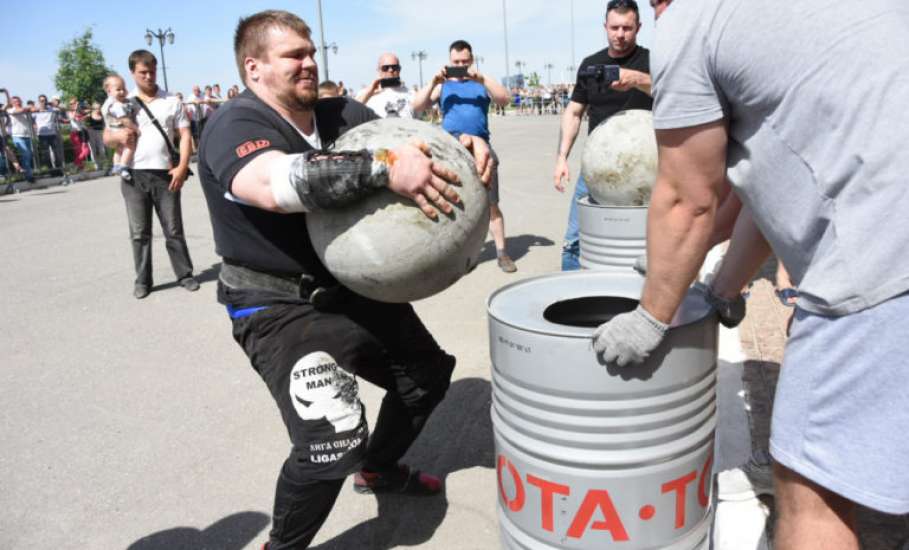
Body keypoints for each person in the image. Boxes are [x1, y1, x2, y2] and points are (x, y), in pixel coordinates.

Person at [595, 1, 909, 548]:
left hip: (880, 245)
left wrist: (651, 314)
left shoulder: (690, 25)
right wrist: (720, 289)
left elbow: (685, 201)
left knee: (811, 495)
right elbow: (761, 199)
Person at [197, 10, 492, 549]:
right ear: (254, 67)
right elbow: (273, 183)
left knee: (426, 376)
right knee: (331, 438)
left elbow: (411, 137)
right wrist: (383, 169)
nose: (309, 63)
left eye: (311, 52)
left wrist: (463, 147)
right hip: (276, 303)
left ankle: (378, 467)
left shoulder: (342, 114)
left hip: (349, 288)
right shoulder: (234, 124)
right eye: (293, 56)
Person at [553, 0, 654, 270]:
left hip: (646, 170)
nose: (620, 34)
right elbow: (574, 113)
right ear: (605, 27)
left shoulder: (651, 61)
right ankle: (571, 295)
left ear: (639, 28)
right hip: (597, 169)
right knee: (574, 240)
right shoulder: (590, 65)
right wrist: (562, 157)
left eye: (627, 28)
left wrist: (636, 79)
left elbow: (672, 94)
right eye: (614, 27)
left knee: (650, 240)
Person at [103, 49, 199, 300]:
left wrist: (182, 165)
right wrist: (117, 136)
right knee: (139, 233)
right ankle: (143, 280)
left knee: (173, 228)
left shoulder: (172, 101)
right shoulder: (123, 103)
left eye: (152, 71)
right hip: (133, 176)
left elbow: (186, 135)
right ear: (133, 73)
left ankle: (185, 274)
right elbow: (106, 136)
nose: (148, 76)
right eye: (142, 72)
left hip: (166, 174)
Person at [413, 39, 516, 272]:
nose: (460, 65)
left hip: (483, 150)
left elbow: (504, 99)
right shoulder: (443, 86)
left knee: (492, 206)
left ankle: (502, 253)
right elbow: (417, 106)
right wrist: (433, 82)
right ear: (450, 61)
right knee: (450, 202)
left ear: (472, 60)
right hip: (451, 152)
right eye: (456, 62)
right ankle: (454, 254)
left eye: (465, 61)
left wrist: (481, 78)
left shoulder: (481, 83)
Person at [355, 53, 420, 119]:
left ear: (399, 70)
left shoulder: (411, 94)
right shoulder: (365, 94)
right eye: (385, 68)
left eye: (394, 67)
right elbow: (352, 110)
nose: (390, 70)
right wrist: (369, 93)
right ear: (378, 70)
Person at [101, 74, 139, 181]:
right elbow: (125, 120)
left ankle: (116, 165)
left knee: (119, 149)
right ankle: (123, 166)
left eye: (124, 89)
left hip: (112, 128)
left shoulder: (108, 103)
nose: (122, 92)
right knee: (129, 146)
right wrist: (136, 129)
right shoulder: (116, 105)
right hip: (120, 129)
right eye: (118, 89)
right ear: (109, 91)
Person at [2, 90, 35, 183]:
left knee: (28, 156)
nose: (17, 102)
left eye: (18, 101)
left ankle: (26, 173)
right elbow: (21, 110)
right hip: (17, 136)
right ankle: (28, 176)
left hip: (27, 135)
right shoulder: (10, 110)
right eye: (15, 101)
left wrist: (30, 108)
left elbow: (34, 109)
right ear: (12, 103)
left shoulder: (25, 110)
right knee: (26, 154)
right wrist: (29, 107)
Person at [33, 94, 65, 172]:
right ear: (39, 101)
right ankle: (51, 171)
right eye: (41, 101)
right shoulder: (35, 111)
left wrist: (54, 104)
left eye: (44, 100)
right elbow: (32, 121)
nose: (43, 102)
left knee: (57, 153)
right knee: (46, 155)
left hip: (52, 134)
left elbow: (63, 109)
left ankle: (59, 170)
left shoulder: (52, 109)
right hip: (42, 135)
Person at [66, 98, 92, 170]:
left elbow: (90, 110)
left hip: (82, 132)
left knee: (85, 151)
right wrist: (84, 115)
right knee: (80, 151)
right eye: (71, 104)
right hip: (75, 133)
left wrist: (87, 107)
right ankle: (76, 165)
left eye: (74, 103)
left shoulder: (80, 110)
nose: (73, 105)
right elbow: (76, 119)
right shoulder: (70, 112)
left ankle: (78, 166)